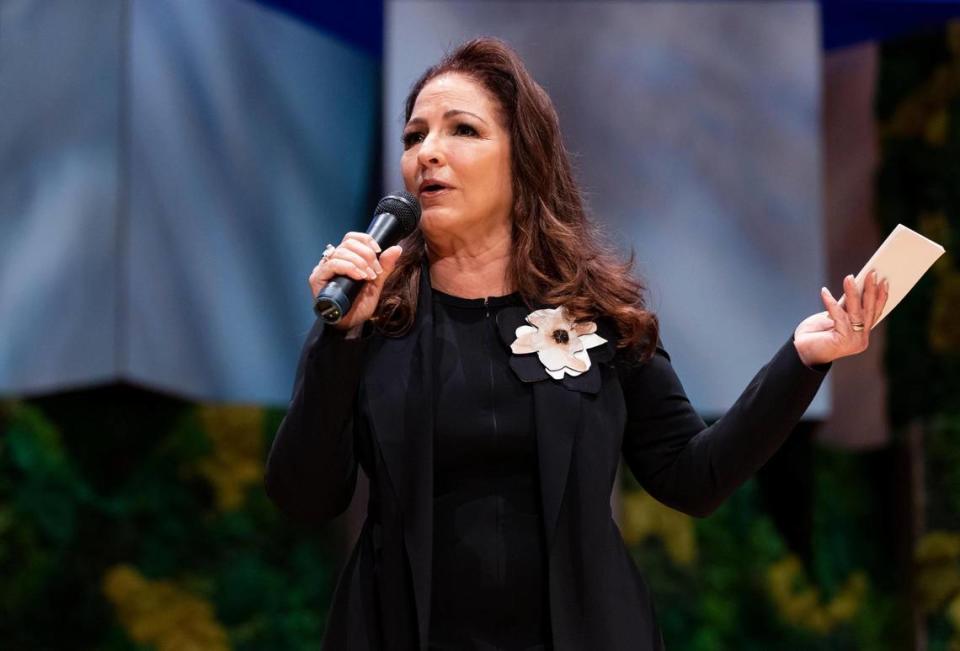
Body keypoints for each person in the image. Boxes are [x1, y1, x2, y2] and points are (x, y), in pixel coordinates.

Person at [264, 37, 889, 651]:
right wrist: (338, 336)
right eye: (414, 136)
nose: (428, 152)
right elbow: (305, 495)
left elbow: (693, 477)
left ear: (522, 158)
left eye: (462, 130)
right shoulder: (373, 318)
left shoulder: (598, 316)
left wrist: (801, 361)